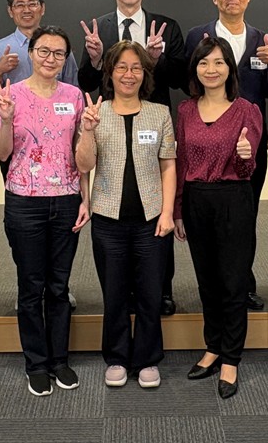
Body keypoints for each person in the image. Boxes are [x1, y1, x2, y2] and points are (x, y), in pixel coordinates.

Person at [77, 0, 186, 316]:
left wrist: (157, 59)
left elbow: (181, 80)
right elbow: (85, 82)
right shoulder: (99, 29)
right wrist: (95, 59)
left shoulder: (166, 27)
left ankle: (162, 289)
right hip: (111, 125)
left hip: (154, 125)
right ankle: (121, 294)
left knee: (157, 209)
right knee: (118, 207)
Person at [0, 26, 90, 396]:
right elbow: (2, 153)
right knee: (31, 286)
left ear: (66, 59)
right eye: (44, 51)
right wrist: (5, 119)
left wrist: (85, 200)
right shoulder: (11, 94)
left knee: (59, 286)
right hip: (24, 202)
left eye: (59, 53)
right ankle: (36, 363)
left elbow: (82, 158)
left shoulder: (75, 96)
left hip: (66, 200)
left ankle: (59, 360)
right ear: (31, 53)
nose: (51, 58)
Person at [75, 40, 177, 389]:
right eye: (121, 67)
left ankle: (147, 359)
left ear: (145, 74)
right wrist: (88, 131)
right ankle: (117, 357)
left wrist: (167, 212)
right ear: (110, 72)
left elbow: (168, 166)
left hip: (151, 219)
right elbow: (84, 165)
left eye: (136, 68)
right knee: (115, 293)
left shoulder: (159, 113)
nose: (128, 74)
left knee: (150, 293)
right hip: (108, 220)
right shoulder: (95, 113)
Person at [184, 0, 268, 311]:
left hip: (249, 143)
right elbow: (189, 82)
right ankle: (214, 284)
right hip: (207, 140)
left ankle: (244, 283)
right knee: (206, 221)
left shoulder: (262, 39)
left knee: (246, 216)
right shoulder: (198, 35)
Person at [0, 0, 82, 312]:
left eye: (32, 3)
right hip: (16, 142)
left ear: (42, 8)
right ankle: (29, 285)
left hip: (59, 153)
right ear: (10, 10)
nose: (26, 9)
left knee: (59, 243)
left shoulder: (62, 51)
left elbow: (73, 97)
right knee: (25, 227)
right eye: (20, 4)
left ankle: (57, 289)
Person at [173, 37, 262, 399]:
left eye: (219, 62)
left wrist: (244, 154)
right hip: (196, 200)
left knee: (233, 281)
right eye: (203, 62)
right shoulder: (185, 110)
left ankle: (231, 358)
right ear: (195, 69)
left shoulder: (246, 110)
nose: (211, 69)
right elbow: (180, 162)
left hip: (233, 199)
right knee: (207, 280)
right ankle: (213, 346)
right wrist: (178, 209)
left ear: (230, 68)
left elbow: (247, 170)